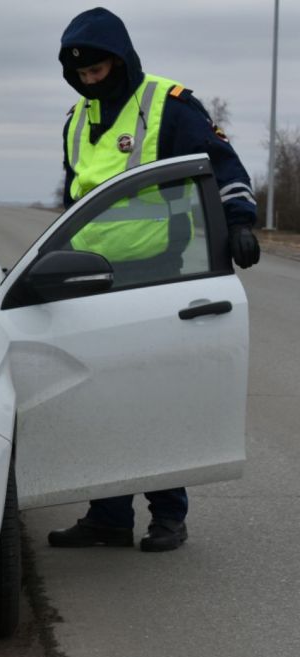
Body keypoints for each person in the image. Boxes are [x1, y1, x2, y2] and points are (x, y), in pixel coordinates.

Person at [48, 7, 260, 553]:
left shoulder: (167, 106)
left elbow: (223, 164)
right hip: (91, 280)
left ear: (120, 60)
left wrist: (239, 224)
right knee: (97, 398)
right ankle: (108, 517)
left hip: (158, 276)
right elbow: (74, 199)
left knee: (153, 396)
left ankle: (168, 515)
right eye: (83, 74)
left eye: (99, 70)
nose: (92, 80)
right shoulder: (75, 120)